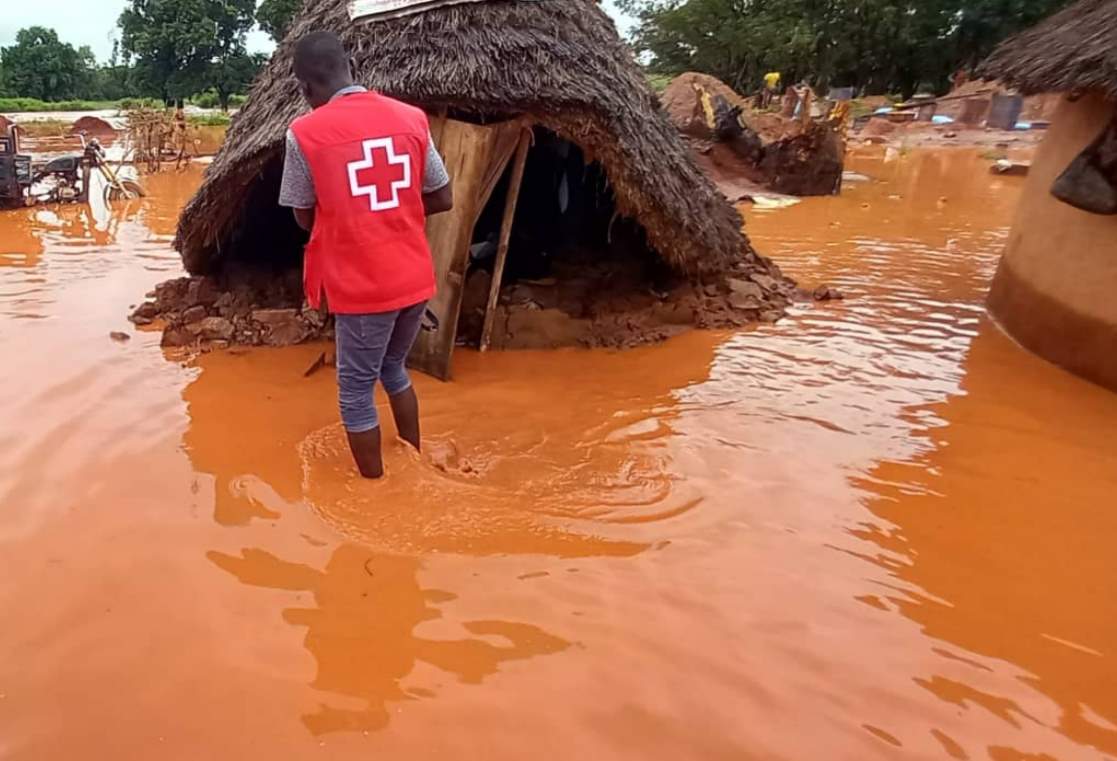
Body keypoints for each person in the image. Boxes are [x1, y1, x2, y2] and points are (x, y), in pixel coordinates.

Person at [278, 31, 454, 479]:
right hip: (414, 277)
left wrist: (350, 215)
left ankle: (376, 491)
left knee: (355, 392)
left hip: (363, 286)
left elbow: (303, 217)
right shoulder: (411, 118)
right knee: (394, 367)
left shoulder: (304, 133)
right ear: (349, 66)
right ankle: (413, 455)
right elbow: (442, 195)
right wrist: (396, 213)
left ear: (304, 87)